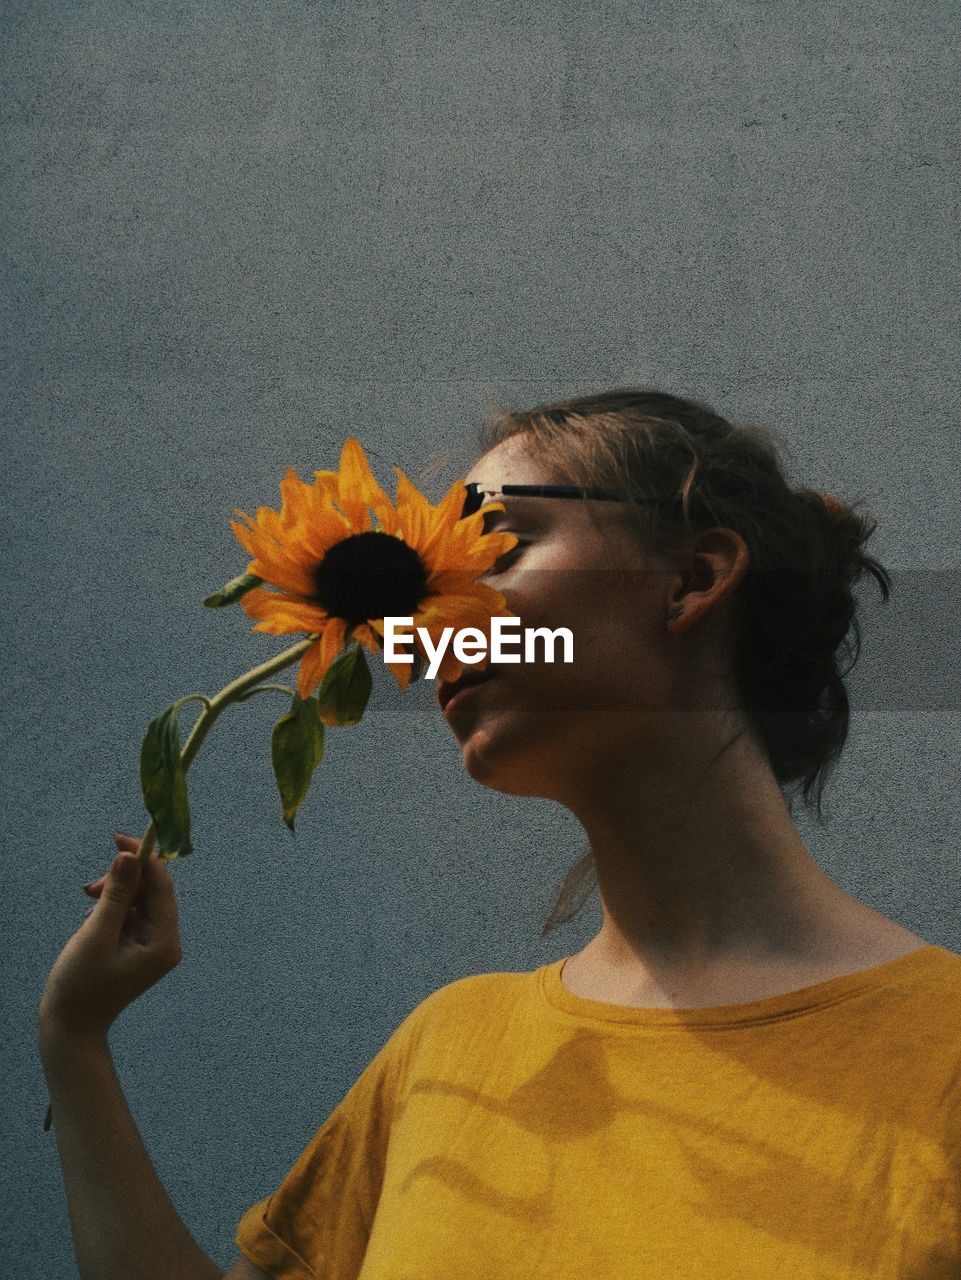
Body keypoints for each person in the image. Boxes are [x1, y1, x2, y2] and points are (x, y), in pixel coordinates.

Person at [39, 388, 961, 1279]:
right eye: (429, 586)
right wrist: (75, 1044)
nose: (427, 628)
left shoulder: (940, 1051)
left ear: (690, 578)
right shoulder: (449, 1052)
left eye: (497, 548)